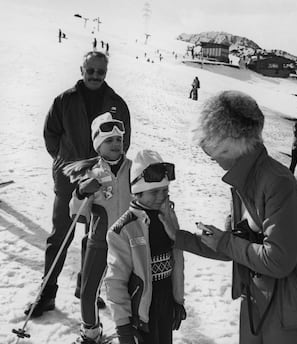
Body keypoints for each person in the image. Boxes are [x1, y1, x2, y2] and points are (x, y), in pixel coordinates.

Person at [163, 91, 297, 344]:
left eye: (209, 145)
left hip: (286, 313)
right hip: (256, 301)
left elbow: (278, 260)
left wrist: (224, 242)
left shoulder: (277, 183)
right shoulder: (244, 181)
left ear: (228, 141)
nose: (207, 154)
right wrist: (179, 238)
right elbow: (231, 247)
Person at [25, 51, 131, 318]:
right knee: (60, 234)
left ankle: (87, 289)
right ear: (82, 69)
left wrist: (104, 167)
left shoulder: (115, 102)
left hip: (103, 179)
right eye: (90, 71)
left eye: (100, 72)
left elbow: (122, 140)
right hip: (69, 178)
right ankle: (47, 293)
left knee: (94, 238)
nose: (95, 76)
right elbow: (51, 135)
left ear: (106, 72)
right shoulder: (64, 100)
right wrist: (68, 164)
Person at [63, 113, 132, 344]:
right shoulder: (93, 172)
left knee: (133, 290)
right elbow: (77, 215)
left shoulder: (133, 168)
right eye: (109, 140)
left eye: (118, 140)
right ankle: (91, 332)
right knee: (88, 292)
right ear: (98, 145)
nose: (115, 144)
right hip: (100, 241)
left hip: (130, 242)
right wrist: (81, 193)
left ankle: (135, 330)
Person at [105, 150, 186, 344]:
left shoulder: (169, 218)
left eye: (165, 191)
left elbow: (178, 262)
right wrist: (123, 325)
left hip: (165, 303)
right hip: (140, 313)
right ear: (137, 192)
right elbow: (116, 280)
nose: (161, 196)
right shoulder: (124, 229)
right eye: (154, 192)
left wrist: (178, 300)